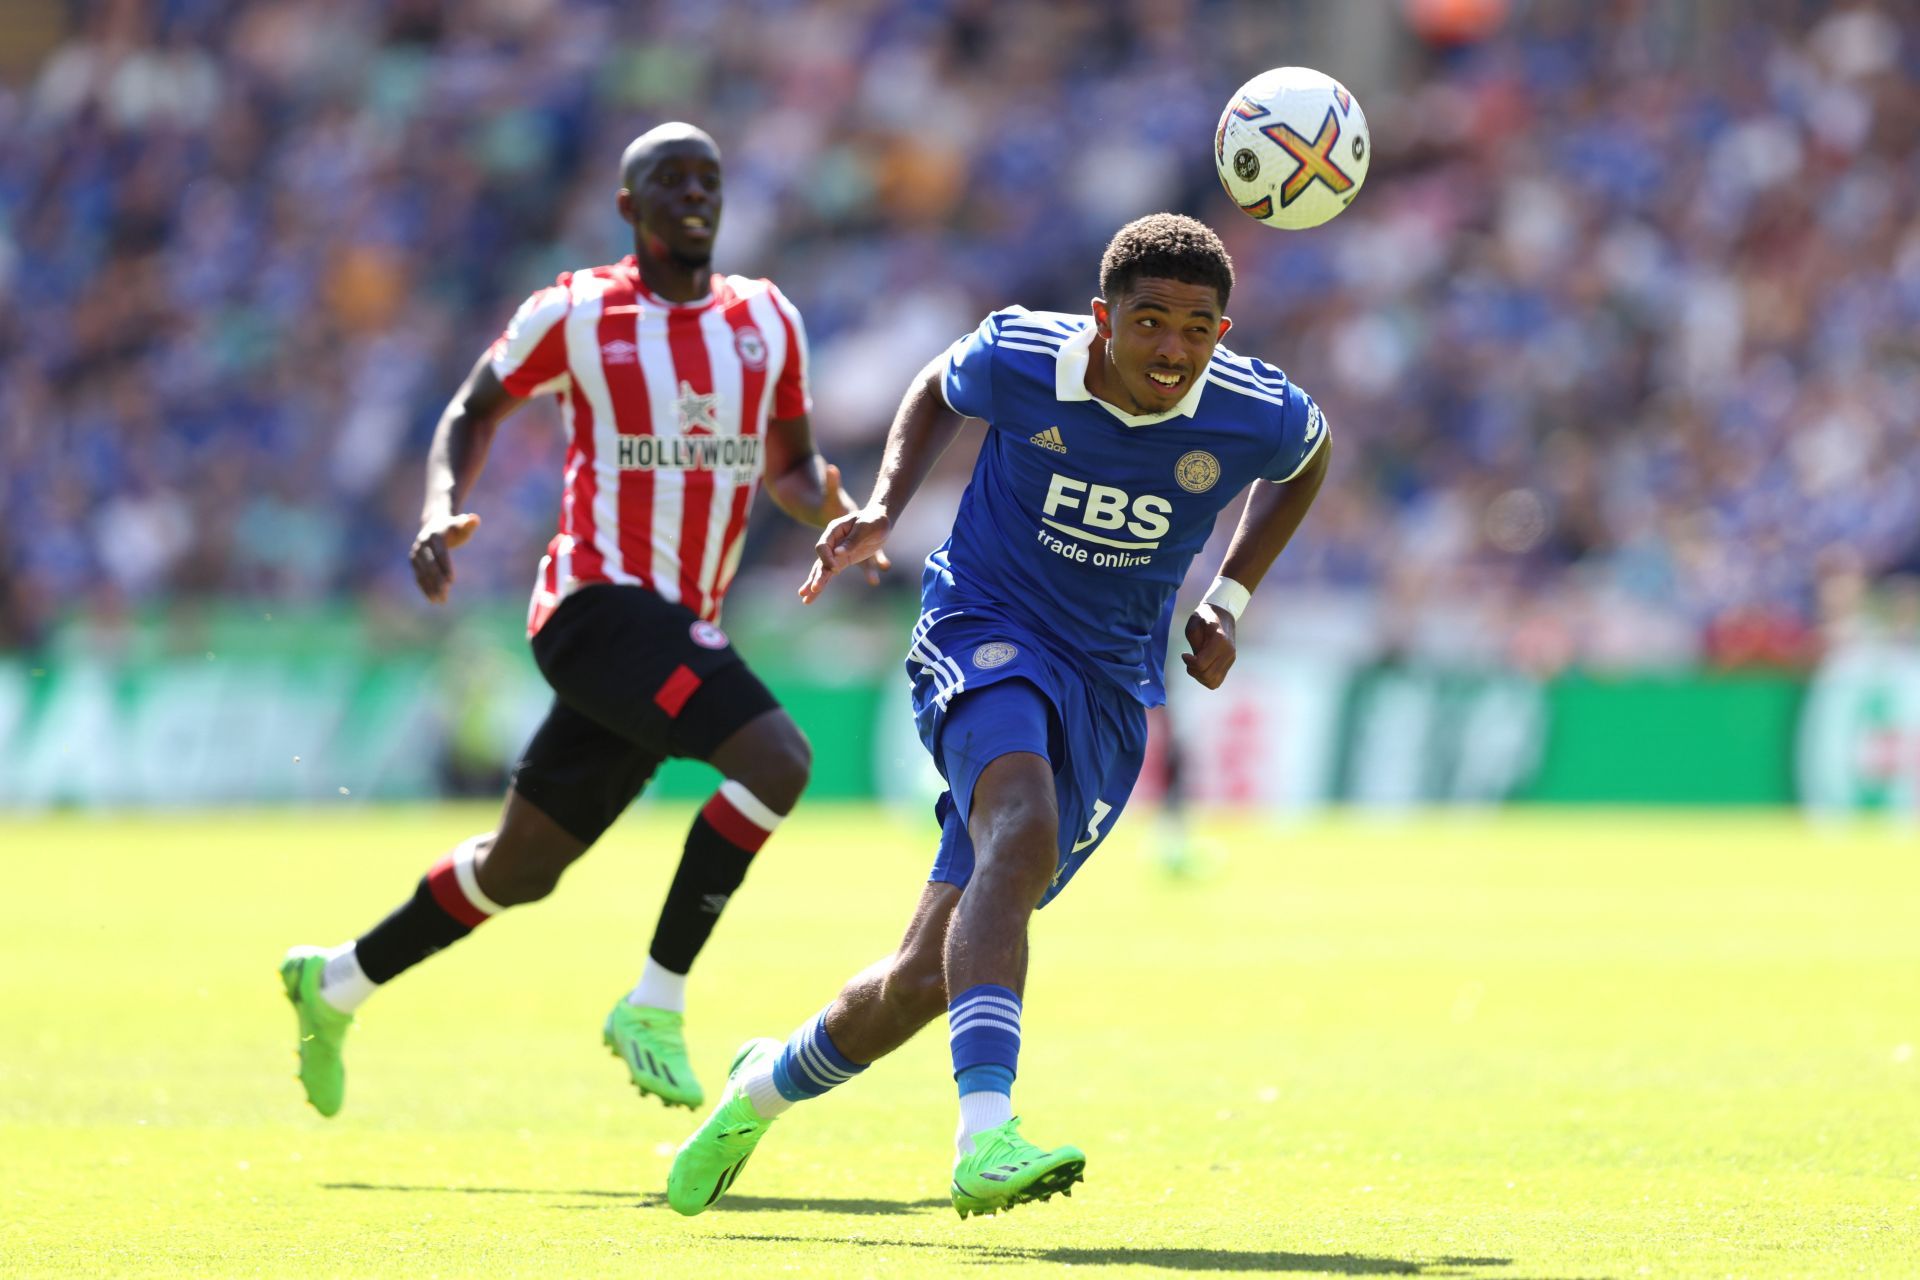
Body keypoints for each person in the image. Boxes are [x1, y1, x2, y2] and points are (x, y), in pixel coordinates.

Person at [666, 213, 1329, 1218]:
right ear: (1104, 318)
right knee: (1020, 823)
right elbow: (939, 383)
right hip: (983, 622)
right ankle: (985, 1135)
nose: (1174, 349)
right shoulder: (1024, 353)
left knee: (925, 976)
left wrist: (1229, 596)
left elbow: (1309, 461)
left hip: (1110, 683)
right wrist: (886, 504)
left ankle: (758, 1089)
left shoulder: (1254, 410)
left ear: (1223, 335)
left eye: (1198, 329)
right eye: (1150, 322)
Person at [279, 123, 885, 1118]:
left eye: (709, 180)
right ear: (626, 206)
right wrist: (437, 507)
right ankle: (656, 999)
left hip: (668, 626)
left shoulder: (768, 320)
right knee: (778, 759)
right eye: (669, 180)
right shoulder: (576, 310)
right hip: (594, 605)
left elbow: (787, 466)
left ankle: (336, 978)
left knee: (522, 868)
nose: (694, 194)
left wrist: (842, 511)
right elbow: (472, 410)